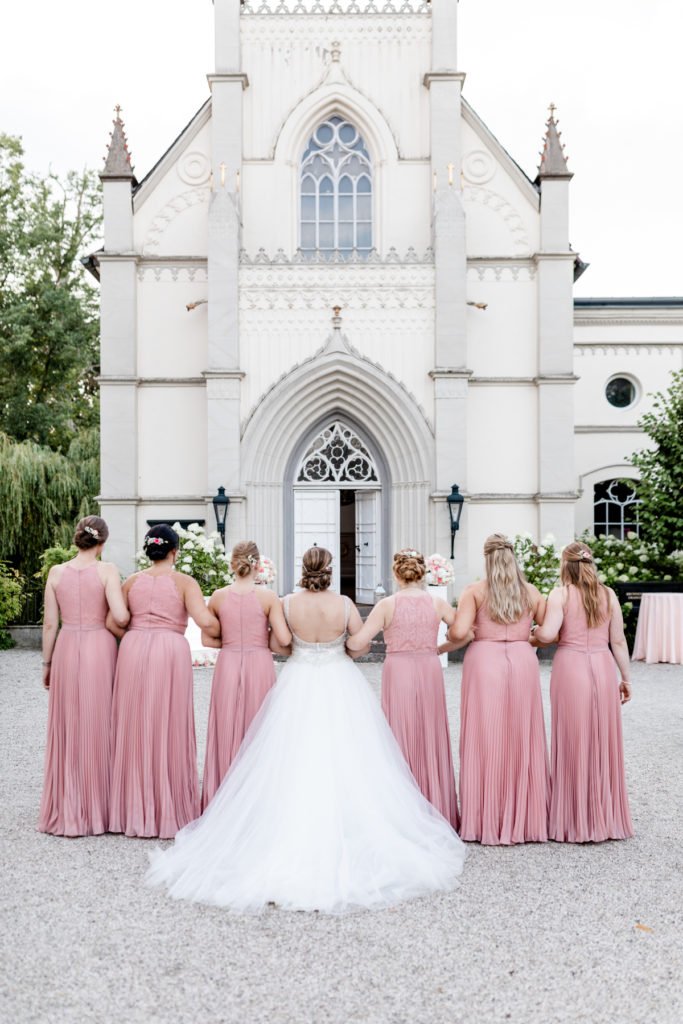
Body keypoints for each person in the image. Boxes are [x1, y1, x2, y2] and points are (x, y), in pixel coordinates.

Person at [146, 546, 466, 913]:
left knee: (289, 753)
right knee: (351, 753)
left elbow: (280, 642)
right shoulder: (345, 604)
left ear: (303, 569)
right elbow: (358, 648)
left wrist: (300, 647)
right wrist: (337, 648)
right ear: (330, 571)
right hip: (338, 679)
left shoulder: (286, 602)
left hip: (298, 679)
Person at [109, 524, 220, 838]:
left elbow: (113, 622)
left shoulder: (131, 582)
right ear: (175, 551)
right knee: (167, 722)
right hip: (169, 650)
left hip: (132, 649)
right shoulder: (185, 582)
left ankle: (130, 808)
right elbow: (206, 621)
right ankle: (167, 806)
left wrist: (134, 637)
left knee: (133, 724)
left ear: (149, 550)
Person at [346, 548, 465, 829]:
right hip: (428, 667)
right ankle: (435, 803)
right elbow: (465, 633)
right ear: (422, 573)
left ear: (396, 574)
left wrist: (334, 644)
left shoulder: (386, 605)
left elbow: (357, 641)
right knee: (429, 731)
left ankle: (399, 807)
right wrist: (441, 648)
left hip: (398, 669)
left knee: (398, 732)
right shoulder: (436, 604)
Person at [444, 534, 549, 845]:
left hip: (484, 661)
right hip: (521, 660)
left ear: (486, 558)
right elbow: (547, 632)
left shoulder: (475, 591)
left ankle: (484, 818)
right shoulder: (530, 592)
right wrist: (526, 638)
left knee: (485, 736)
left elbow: (460, 632)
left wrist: (455, 630)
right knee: (522, 735)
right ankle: (526, 819)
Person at [532, 541, 633, 843]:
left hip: (571, 668)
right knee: (601, 738)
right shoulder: (609, 594)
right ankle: (603, 814)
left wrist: (529, 636)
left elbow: (548, 634)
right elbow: (618, 641)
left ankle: (572, 818)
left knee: (573, 737)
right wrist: (626, 678)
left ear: (566, 565)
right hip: (602, 668)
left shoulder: (560, 594)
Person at [38, 516, 129, 836]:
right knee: (98, 722)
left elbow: (50, 624)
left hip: (65, 648)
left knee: (68, 723)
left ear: (77, 539)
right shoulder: (107, 571)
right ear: (102, 543)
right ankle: (99, 809)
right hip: (99, 648)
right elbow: (119, 615)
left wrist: (47, 664)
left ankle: (67, 804)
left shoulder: (56, 572)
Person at [199, 540, 291, 810]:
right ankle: (258, 800)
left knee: (226, 725)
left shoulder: (217, 596)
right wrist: (264, 638)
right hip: (259, 663)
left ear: (232, 564)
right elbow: (283, 640)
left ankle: (223, 798)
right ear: (258, 565)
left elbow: (207, 639)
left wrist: (231, 642)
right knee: (259, 727)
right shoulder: (268, 598)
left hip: (228, 663)